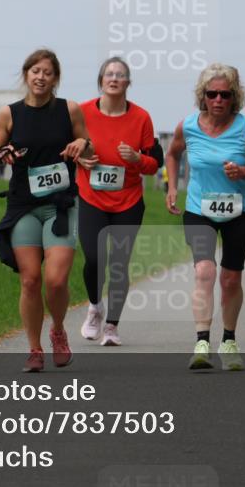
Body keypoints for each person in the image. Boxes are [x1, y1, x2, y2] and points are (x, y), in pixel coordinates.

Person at [0, 49, 92, 373]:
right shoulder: (9, 113)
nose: (41, 77)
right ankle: (34, 349)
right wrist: (0, 153)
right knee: (31, 280)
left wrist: (81, 144)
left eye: (47, 72)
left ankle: (58, 330)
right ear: (26, 75)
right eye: (35, 71)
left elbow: (87, 143)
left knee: (56, 281)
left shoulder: (69, 110)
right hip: (23, 206)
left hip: (60, 205)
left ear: (55, 78)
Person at [165, 63, 245, 371]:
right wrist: (172, 187)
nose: (218, 100)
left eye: (225, 94)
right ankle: (201, 342)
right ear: (203, 95)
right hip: (200, 210)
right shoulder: (187, 126)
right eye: (212, 94)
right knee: (204, 271)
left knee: (230, 278)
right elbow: (172, 153)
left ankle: (229, 340)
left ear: (235, 97)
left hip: (240, 211)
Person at [75, 57, 162, 347]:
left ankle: (112, 326)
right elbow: (67, 150)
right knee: (94, 259)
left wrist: (137, 159)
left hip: (128, 201)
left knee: (119, 264)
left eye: (120, 75)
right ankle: (94, 307)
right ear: (101, 80)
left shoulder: (141, 118)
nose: (114, 78)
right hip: (92, 198)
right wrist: (79, 159)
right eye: (109, 74)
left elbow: (154, 165)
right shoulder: (81, 112)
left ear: (128, 83)